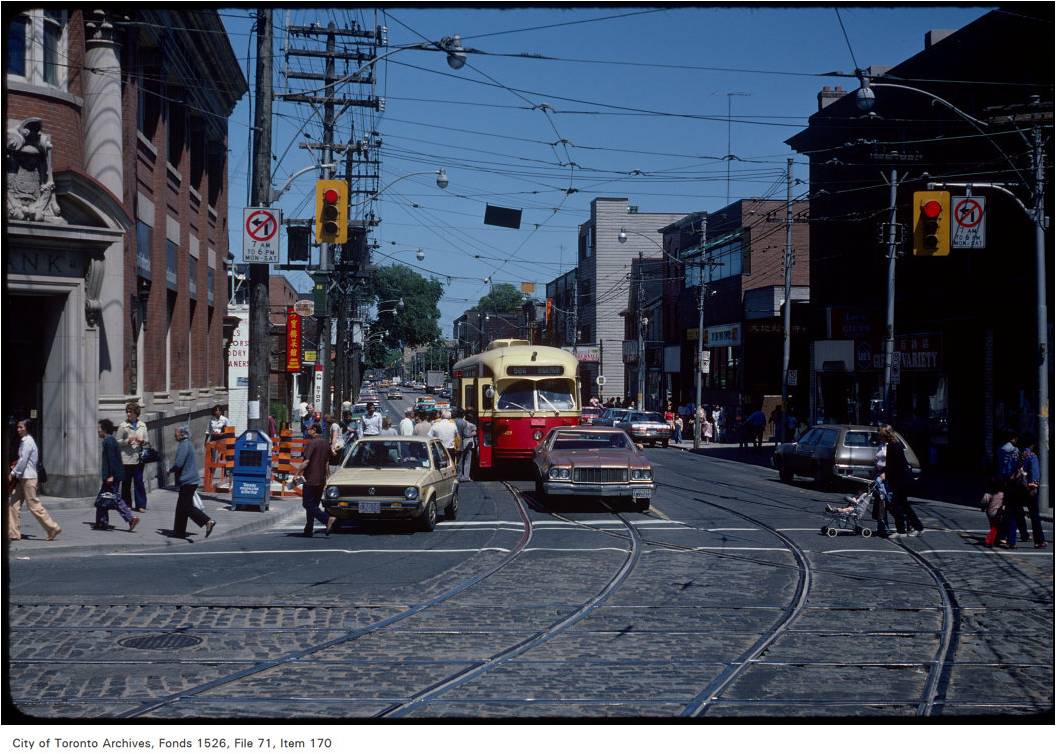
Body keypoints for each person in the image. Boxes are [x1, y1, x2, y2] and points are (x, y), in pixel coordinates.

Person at [7, 419, 60, 541]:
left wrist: (13, 473)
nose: (18, 429)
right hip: (23, 478)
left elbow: (23, 460)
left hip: (29, 478)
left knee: (34, 506)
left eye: (21, 427)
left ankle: (52, 527)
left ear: (26, 428)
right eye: (18, 427)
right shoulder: (25, 441)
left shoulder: (28, 442)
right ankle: (14, 533)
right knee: (13, 504)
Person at [168, 425, 215, 539]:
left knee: (187, 507)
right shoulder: (187, 444)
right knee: (180, 508)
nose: (175, 435)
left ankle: (207, 521)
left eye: (176, 432)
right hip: (190, 480)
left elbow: (179, 464)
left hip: (188, 480)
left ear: (182, 434)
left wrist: (170, 470)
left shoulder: (184, 445)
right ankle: (179, 532)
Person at [95, 419, 138, 532]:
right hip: (113, 475)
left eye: (99, 428)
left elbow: (112, 460)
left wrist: (111, 475)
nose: (97, 431)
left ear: (104, 430)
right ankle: (101, 522)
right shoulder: (111, 440)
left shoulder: (108, 441)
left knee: (114, 499)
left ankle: (131, 518)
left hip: (111, 476)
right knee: (102, 499)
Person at [880, 425, 923, 537]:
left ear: (887, 436)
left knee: (896, 504)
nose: (880, 437)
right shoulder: (894, 445)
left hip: (900, 480)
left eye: (882, 435)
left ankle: (903, 529)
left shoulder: (894, 446)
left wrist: (886, 474)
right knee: (902, 504)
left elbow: (894, 465)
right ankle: (914, 527)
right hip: (899, 479)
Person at [297, 423, 336, 537]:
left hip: (310, 479)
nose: (307, 431)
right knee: (314, 505)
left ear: (314, 430)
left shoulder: (312, 443)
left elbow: (306, 461)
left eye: (308, 429)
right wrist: (327, 477)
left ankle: (327, 519)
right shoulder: (325, 443)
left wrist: (297, 473)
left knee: (307, 504)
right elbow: (327, 463)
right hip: (321, 479)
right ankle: (308, 528)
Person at [116, 403, 149, 512]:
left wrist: (142, 441)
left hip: (138, 458)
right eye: (127, 411)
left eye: (131, 412)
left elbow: (147, 442)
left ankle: (141, 505)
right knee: (126, 483)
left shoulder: (142, 425)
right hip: (126, 459)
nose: (128, 414)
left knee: (139, 481)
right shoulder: (122, 426)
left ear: (136, 413)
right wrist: (127, 441)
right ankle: (127, 504)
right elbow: (117, 442)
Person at [1019, 433, 1045, 549]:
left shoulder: (1019, 454)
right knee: (1034, 515)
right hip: (1029, 488)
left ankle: (1019, 535)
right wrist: (1034, 486)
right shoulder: (1032, 456)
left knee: (1016, 511)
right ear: (1033, 445)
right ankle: (1039, 540)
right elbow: (1034, 472)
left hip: (1018, 487)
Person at [454, 410, 478, 481]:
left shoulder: (456, 422)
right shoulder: (472, 425)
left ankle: (459, 475)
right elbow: (467, 434)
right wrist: (474, 433)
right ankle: (466, 476)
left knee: (459, 460)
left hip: (459, 443)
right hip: (468, 444)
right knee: (467, 460)